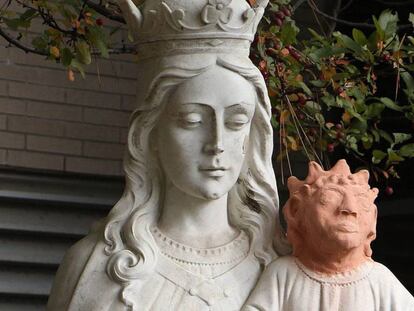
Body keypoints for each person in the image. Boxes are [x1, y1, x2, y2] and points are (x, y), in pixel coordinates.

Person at [243, 160, 414, 311]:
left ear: (373, 218)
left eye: (362, 202)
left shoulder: (380, 280)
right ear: (296, 211)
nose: (350, 208)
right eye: (330, 198)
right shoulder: (282, 274)